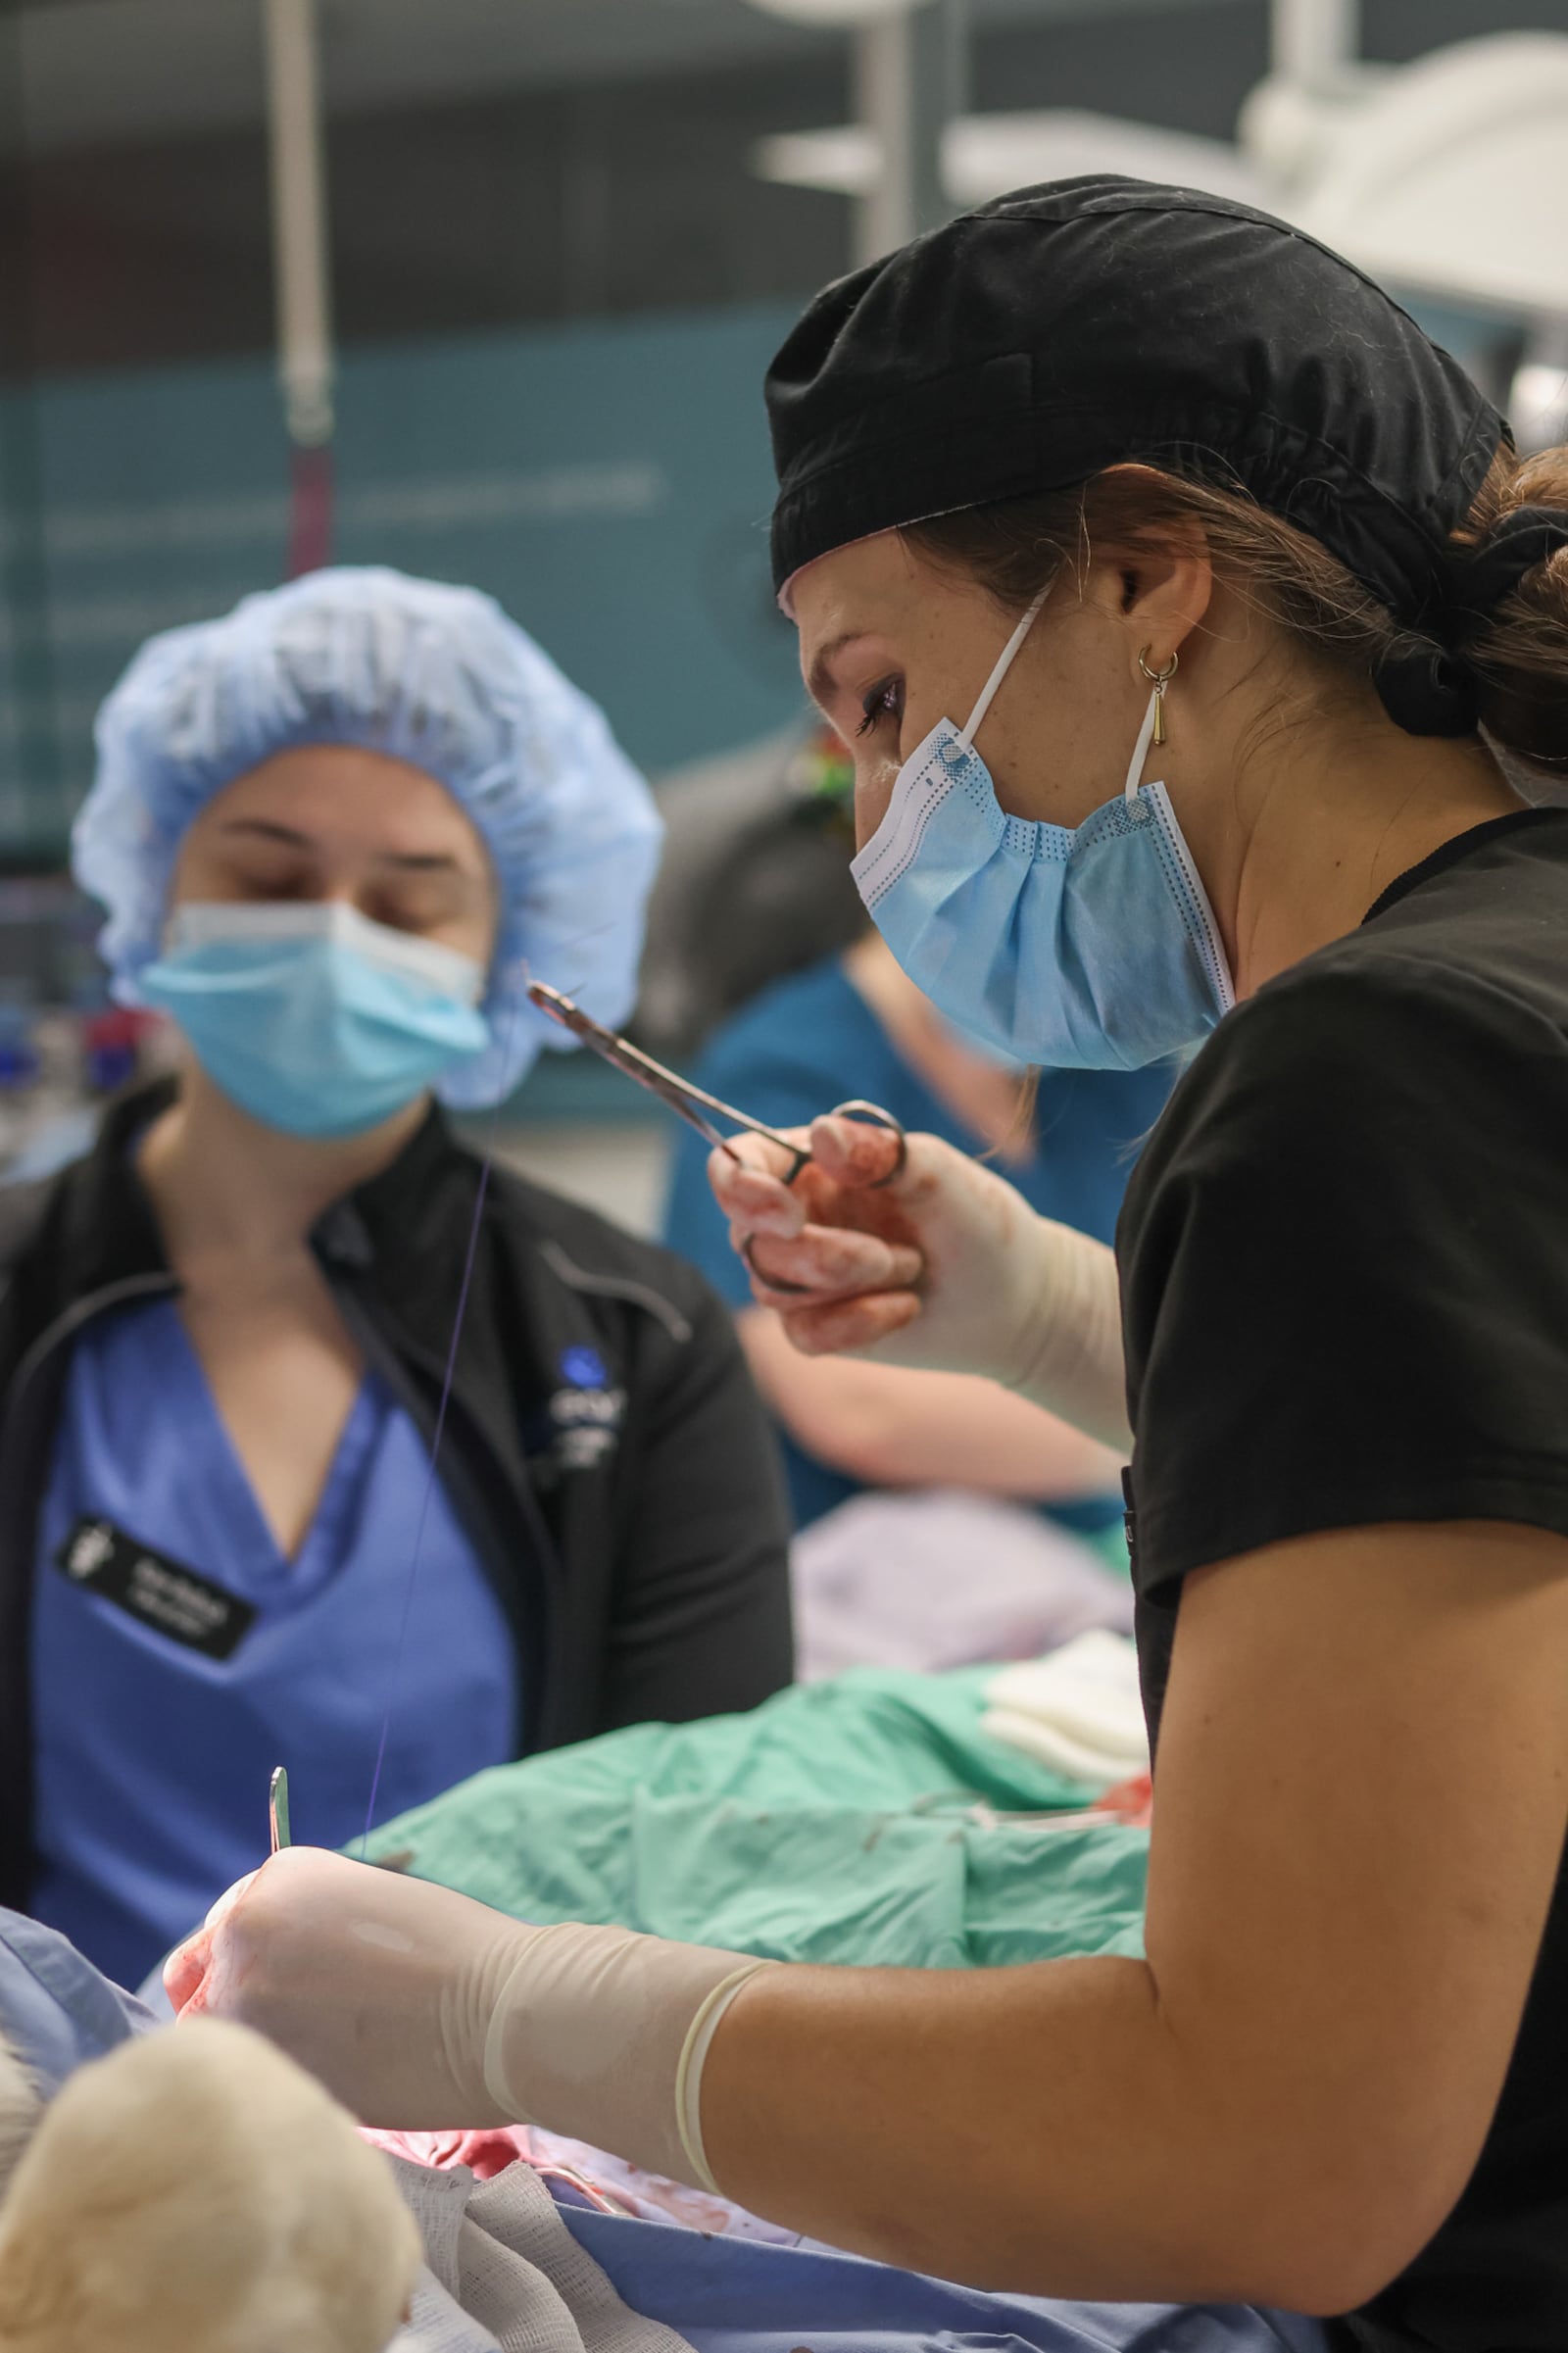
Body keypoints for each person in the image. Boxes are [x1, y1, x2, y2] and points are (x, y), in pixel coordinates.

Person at [169, 182, 1568, 2352]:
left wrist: (508, 2009)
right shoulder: (1514, 974)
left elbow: (1276, 2150)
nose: (878, 812)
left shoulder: (1365, 1072)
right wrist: (1024, 1305)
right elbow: (1469, 1451)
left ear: (1139, 570)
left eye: (888, 698)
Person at [0, 565, 793, 1989]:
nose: (332, 932)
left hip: (494, 2161)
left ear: (516, 954)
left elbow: (694, 1860)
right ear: (154, 877)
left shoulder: (633, 1338)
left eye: (408, 899)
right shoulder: (22, 1291)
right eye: (268, 877)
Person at [662, 749, 1166, 1541]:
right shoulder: (783, 1069)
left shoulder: (1108, 1064)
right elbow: (856, 1409)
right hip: (884, 1580)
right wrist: (1178, 1438)